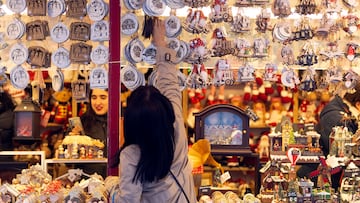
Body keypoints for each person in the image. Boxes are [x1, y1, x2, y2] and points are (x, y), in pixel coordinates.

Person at [111, 19, 197, 202]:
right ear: (164, 110)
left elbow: (128, 200)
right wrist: (161, 43)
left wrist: (112, 189)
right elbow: (169, 83)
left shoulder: (132, 155)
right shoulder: (176, 130)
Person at [297, 83, 360, 191]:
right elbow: (346, 152)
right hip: (321, 181)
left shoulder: (342, 113)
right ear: (358, 104)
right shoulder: (336, 117)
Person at [79, 88, 108, 178]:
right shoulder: (82, 122)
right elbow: (67, 161)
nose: (98, 103)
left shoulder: (123, 120)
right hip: (87, 180)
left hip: (117, 179)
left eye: (103, 98)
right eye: (94, 98)